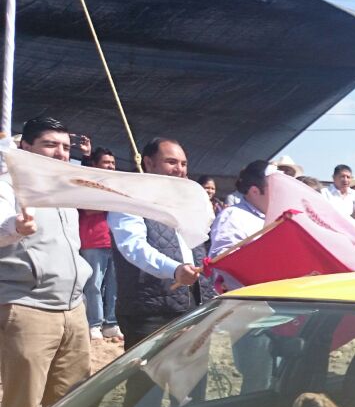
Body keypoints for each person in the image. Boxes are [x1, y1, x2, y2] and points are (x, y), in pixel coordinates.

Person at [0, 116, 93, 407]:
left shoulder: (64, 189)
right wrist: (16, 226)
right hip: (29, 308)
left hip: (74, 309)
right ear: (26, 147)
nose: (60, 153)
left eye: (65, 146)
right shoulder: (8, 184)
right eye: (50, 145)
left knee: (72, 404)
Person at [109, 137, 211, 349]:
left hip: (192, 306)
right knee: (150, 370)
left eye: (183, 164)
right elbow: (133, 247)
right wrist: (175, 270)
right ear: (148, 162)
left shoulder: (187, 203)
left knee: (193, 369)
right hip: (150, 312)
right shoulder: (129, 198)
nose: (179, 169)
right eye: (171, 162)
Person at [77, 146, 121, 342]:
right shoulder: (86, 184)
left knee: (114, 285)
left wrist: (109, 201)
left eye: (113, 163)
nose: (110, 166)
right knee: (94, 285)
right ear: (94, 164)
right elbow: (88, 208)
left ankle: (111, 323)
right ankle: (94, 324)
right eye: (106, 162)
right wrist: (113, 201)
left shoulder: (116, 184)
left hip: (114, 241)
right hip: (93, 240)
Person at [208, 160, 271, 280]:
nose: (280, 192)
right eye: (275, 188)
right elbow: (223, 260)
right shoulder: (233, 217)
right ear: (255, 191)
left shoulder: (279, 216)